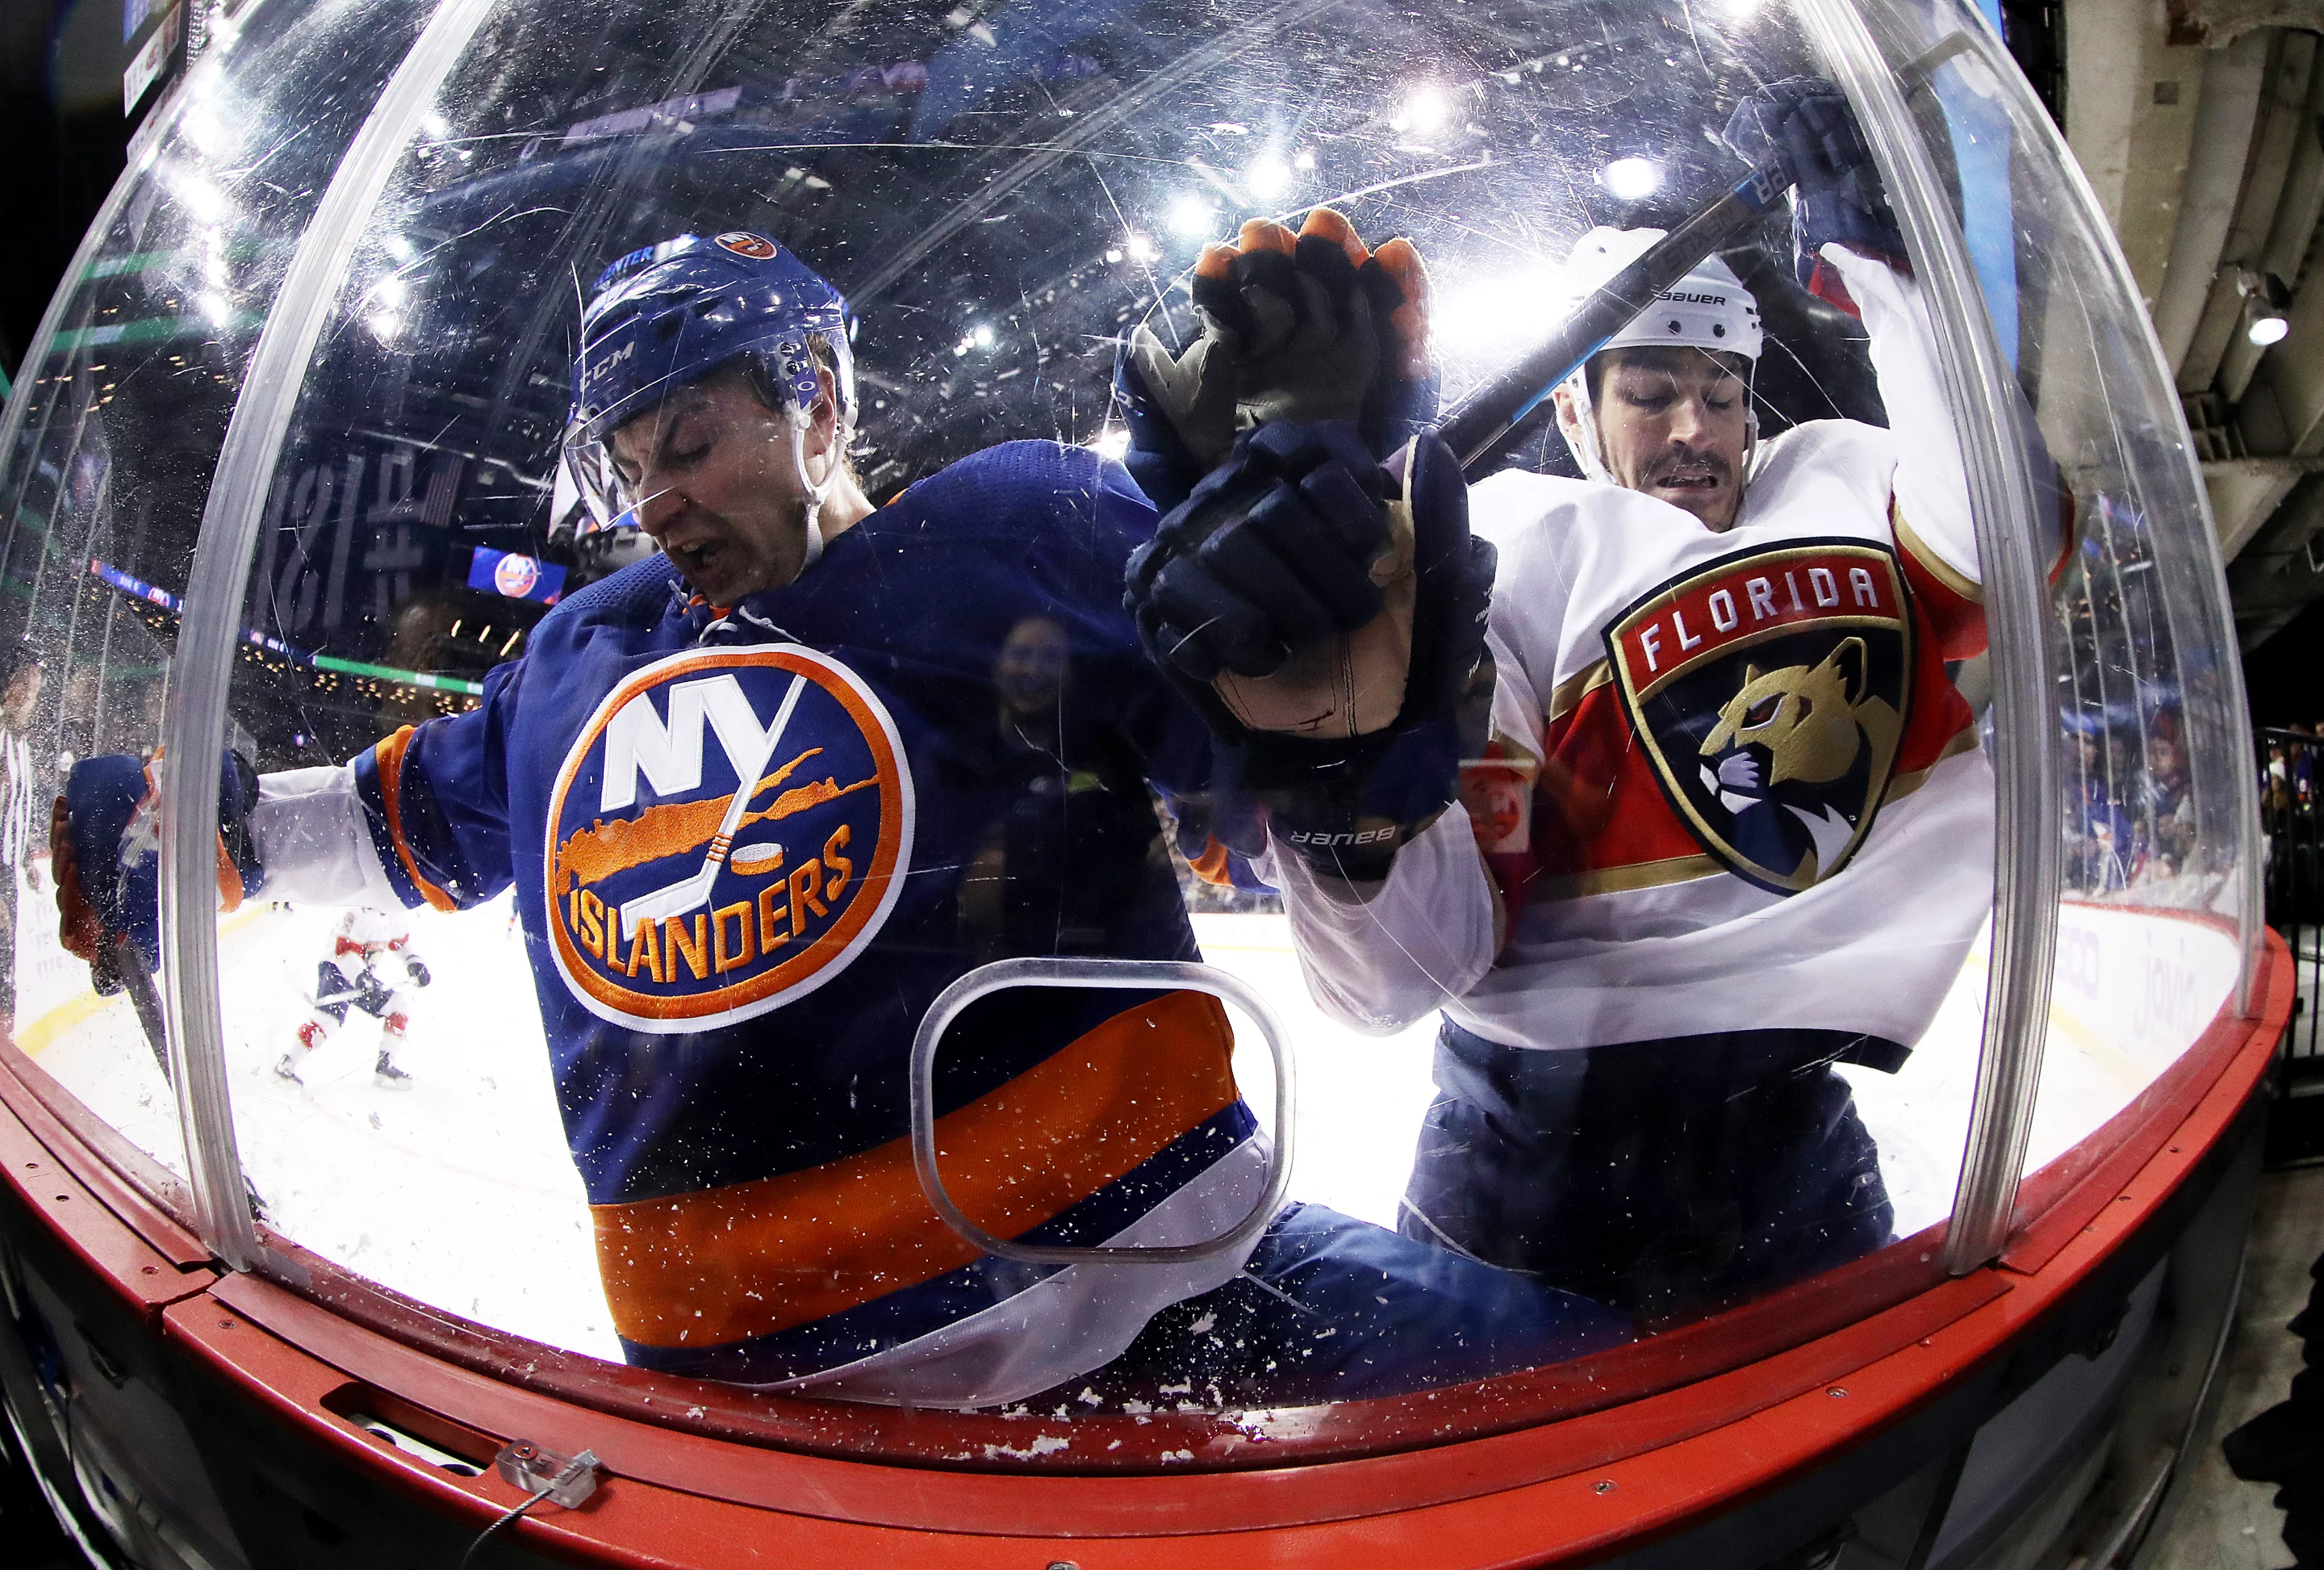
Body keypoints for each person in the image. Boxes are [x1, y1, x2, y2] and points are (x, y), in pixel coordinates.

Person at [52, 229, 1618, 1409]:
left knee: (1617, 1421)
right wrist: (209, 828)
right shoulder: (579, 655)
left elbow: (1397, 979)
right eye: (623, 464)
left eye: (689, 443)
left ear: (819, 395)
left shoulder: (1034, 527)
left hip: (1186, 1296)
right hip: (758, 1415)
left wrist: (1351, 770)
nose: (652, 496)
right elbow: (411, 820)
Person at [1128, 82, 2044, 1322]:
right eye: (1651, 393)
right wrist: (1340, 757)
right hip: (1535, 1147)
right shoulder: (1507, 545)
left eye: (1722, 393)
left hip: (1800, 1123)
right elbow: (1402, 977)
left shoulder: (1847, 476)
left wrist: (1898, 275)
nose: (1696, 431)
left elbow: (2012, 529)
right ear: (1571, 407)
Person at [274, 906, 429, 1088]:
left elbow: (400, 943)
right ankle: (286, 1064)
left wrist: (413, 962)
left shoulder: (392, 911)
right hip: (336, 970)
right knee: (328, 1021)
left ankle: (385, 1065)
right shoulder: (357, 910)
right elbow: (343, 952)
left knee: (399, 1003)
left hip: (363, 976)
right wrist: (360, 977)